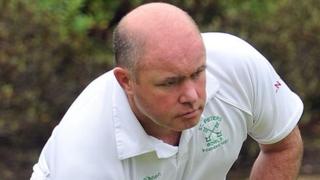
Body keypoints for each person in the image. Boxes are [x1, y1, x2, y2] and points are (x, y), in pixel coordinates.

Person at [31, 2, 304, 180]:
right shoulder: (84, 154)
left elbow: (281, 146)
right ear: (126, 81)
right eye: (170, 83)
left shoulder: (237, 64)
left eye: (198, 73)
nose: (193, 96)